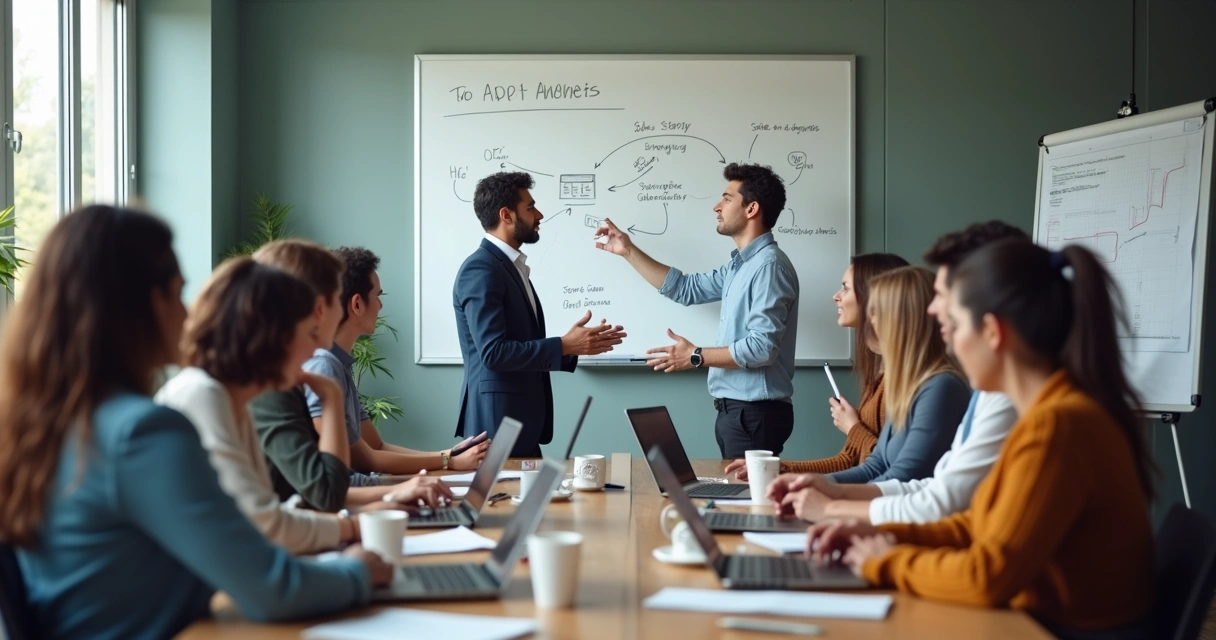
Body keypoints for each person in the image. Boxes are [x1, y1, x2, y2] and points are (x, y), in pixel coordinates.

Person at [0, 206, 391, 640]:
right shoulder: (143, 433)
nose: (189, 315)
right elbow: (271, 590)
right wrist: (357, 572)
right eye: (179, 293)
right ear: (148, 303)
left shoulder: (58, 421)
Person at [802, 240, 1155, 639]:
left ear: (992, 333)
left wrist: (884, 560)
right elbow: (976, 525)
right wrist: (879, 533)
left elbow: (986, 576)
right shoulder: (1048, 412)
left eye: (953, 327)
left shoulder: (1057, 426)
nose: (947, 342)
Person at [157, 258, 451, 554]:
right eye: (310, 332)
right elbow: (279, 521)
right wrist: (355, 543)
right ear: (273, 334)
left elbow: (279, 510)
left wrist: (363, 519)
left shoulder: (237, 402)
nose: (315, 350)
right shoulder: (204, 396)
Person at [766, 222, 1025, 523]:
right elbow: (887, 471)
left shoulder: (943, 387)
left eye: (875, 312)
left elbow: (917, 488)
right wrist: (821, 486)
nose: (936, 310)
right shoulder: (912, 385)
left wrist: (830, 505)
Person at [249, 240, 472, 512]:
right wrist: (439, 466)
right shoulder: (319, 368)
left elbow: (368, 452)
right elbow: (337, 483)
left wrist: (445, 459)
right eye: (329, 300)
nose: (379, 305)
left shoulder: (329, 367)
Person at [596, 163, 800, 458]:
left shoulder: (769, 267)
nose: (717, 207)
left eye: (727, 199)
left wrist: (695, 356)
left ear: (751, 208)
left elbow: (761, 349)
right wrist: (628, 250)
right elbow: (685, 288)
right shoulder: (740, 266)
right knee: (737, 501)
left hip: (755, 414)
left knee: (747, 503)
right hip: (737, 412)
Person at [454, 171, 626, 456]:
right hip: (497, 425)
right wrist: (564, 345)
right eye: (530, 207)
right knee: (507, 501)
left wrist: (572, 347)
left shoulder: (509, 266)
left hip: (518, 423)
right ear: (506, 215)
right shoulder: (482, 269)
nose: (540, 214)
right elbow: (493, 353)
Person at [302, 246, 490, 475]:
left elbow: (377, 446)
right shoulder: (325, 366)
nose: (380, 305)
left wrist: (449, 455)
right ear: (357, 304)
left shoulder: (339, 365)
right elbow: (367, 460)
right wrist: (446, 462)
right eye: (378, 296)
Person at [725, 253, 907, 479]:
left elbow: (889, 466)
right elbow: (847, 459)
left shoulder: (902, 384)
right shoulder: (878, 377)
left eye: (846, 289)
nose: (836, 296)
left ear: (876, 298)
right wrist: (777, 468)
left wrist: (853, 428)